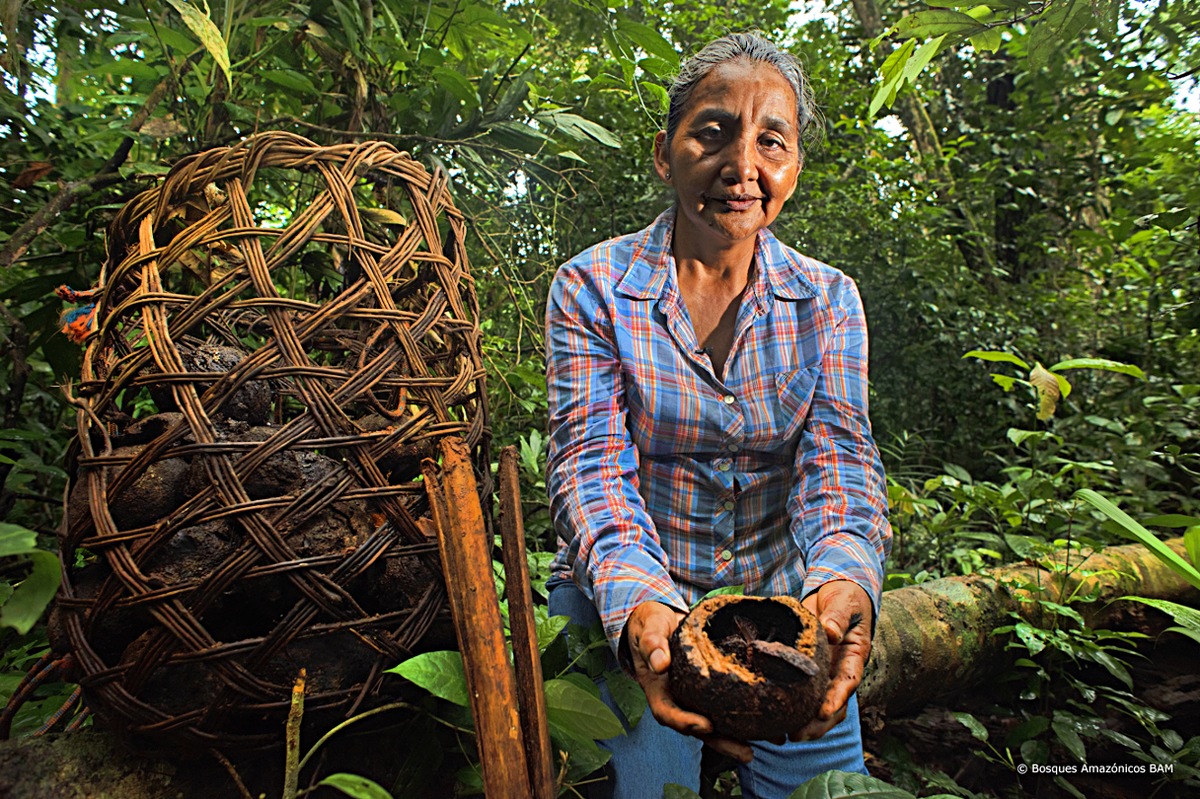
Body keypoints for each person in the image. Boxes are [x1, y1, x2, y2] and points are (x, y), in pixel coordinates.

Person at [543, 31, 892, 799]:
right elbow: (589, 464)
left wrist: (843, 582)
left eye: (772, 140)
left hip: (779, 612)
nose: (743, 167)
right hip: (627, 597)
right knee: (645, 789)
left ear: (794, 166)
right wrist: (642, 606)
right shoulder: (592, 288)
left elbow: (839, 462)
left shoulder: (827, 300)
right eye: (713, 132)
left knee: (826, 789)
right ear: (666, 153)